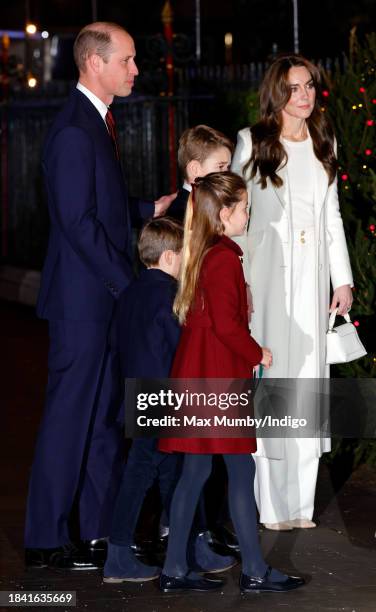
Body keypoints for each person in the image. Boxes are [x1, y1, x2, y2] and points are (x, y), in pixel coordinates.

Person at [24, 22, 174, 570]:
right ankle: (44, 540)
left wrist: (143, 211)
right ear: (95, 64)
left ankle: (94, 531)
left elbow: (99, 207)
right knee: (70, 418)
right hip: (83, 305)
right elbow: (77, 223)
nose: (136, 70)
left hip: (101, 302)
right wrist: (128, 283)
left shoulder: (97, 123)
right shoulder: (72, 131)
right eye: (128, 60)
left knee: (103, 420)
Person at [158, 172, 305, 594]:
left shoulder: (205, 251)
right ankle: (255, 570)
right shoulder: (223, 256)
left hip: (199, 373)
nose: (247, 214)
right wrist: (257, 352)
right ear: (223, 214)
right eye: (242, 207)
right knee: (240, 470)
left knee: (195, 471)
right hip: (217, 377)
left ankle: (174, 570)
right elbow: (225, 323)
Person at [231, 54, 353, 530]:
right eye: (294, 87)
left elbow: (333, 216)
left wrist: (341, 278)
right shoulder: (252, 141)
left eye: (309, 87)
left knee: (307, 390)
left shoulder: (325, 142)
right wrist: (238, 281)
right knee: (273, 386)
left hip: (313, 280)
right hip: (267, 281)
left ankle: (300, 508)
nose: (304, 95)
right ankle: (271, 507)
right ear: (277, 93)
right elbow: (233, 214)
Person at [103, 217, 235, 582]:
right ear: (169, 258)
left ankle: (186, 546)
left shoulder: (128, 294)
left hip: (136, 393)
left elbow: (117, 346)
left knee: (167, 475)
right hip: (164, 396)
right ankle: (129, 553)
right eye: (185, 256)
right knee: (157, 475)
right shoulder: (169, 296)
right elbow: (181, 350)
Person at [168, 124, 233, 221]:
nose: (227, 173)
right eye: (220, 166)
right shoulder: (180, 214)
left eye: (228, 167)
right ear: (195, 169)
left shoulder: (214, 203)